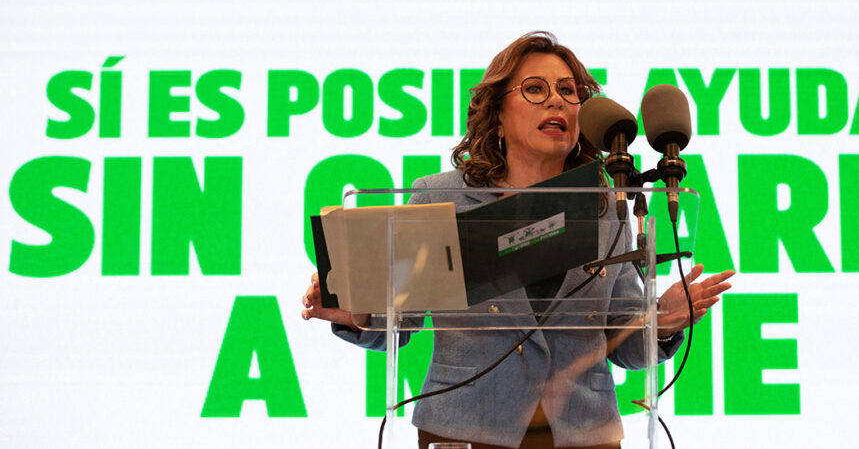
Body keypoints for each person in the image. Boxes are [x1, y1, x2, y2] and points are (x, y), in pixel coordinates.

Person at [302, 31, 734, 449]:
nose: (556, 101)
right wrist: (359, 312)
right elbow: (403, 320)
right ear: (498, 115)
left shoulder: (607, 207)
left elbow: (620, 341)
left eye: (569, 90)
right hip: (466, 430)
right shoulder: (442, 196)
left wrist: (663, 321)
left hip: (585, 434)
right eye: (534, 89)